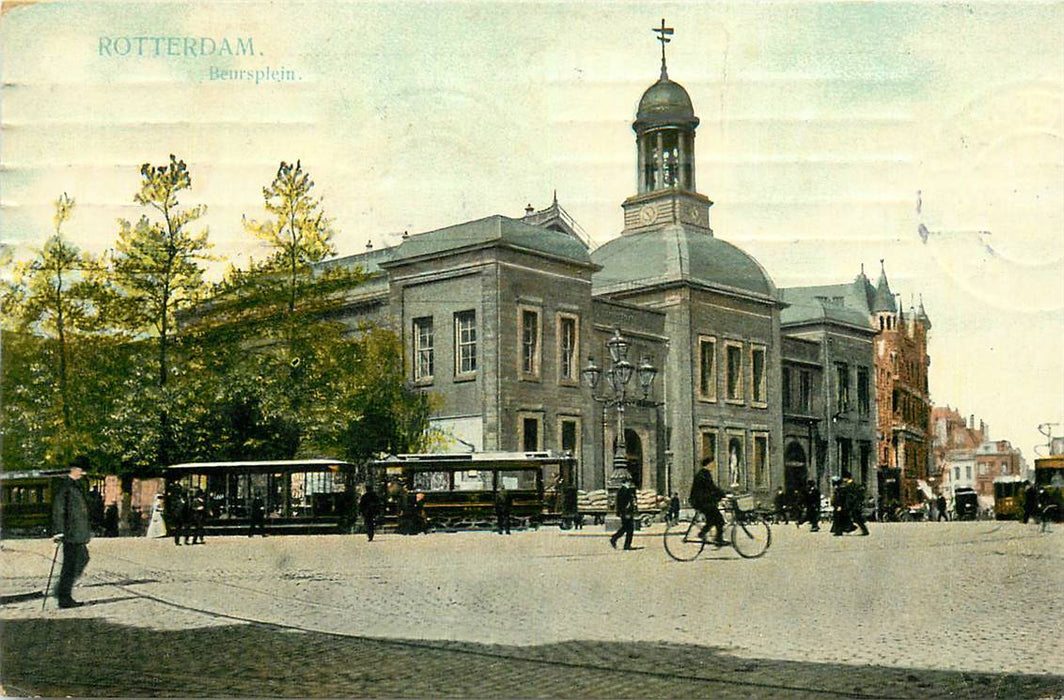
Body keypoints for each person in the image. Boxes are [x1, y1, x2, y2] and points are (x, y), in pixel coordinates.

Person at [51, 457, 93, 608]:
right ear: (74, 470)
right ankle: (63, 597)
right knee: (70, 565)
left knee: (80, 560)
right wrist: (59, 531)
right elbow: (59, 509)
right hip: (70, 533)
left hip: (77, 532)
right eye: (81, 470)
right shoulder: (65, 486)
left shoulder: (77, 485)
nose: (83, 473)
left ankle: (62, 592)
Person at [689, 457, 726, 547]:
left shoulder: (703, 474)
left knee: (711, 520)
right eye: (712, 464)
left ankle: (704, 533)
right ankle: (718, 539)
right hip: (702, 502)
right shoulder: (704, 475)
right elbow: (711, 487)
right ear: (708, 464)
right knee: (720, 520)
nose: (713, 466)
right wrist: (722, 494)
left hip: (702, 501)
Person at [609, 477, 637, 550]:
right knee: (629, 529)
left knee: (625, 528)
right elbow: (625, 503)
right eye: (629, 482)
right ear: (626, 482)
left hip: (624, 513)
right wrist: (626, 513)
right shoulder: (625, 490)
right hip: (626, 513)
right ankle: (625, 544)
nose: (630, 483)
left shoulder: (622, 490)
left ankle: (615, 539)